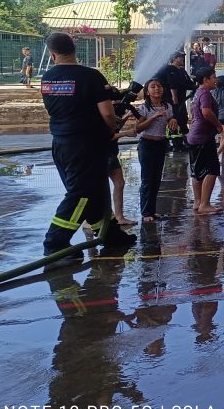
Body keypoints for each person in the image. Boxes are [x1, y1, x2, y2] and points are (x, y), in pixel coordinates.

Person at [39, 32, 134, 258]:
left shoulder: (47, 78)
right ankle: (55, 241)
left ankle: (109, 233)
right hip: (87, 143)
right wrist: (112, 128)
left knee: (97, 188)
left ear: (53, 55)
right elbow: (108, 114)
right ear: (74, 49)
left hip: (61, 143)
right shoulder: (90, 76)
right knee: (81, 192)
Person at [133, 78, 176, 223]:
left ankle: (152, 210)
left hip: (161, 143)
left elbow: (171, 119)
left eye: (159, 86)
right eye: (153, 86)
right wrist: (153, 117)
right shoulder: (144, 108)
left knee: (156, 179)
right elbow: (138, 128)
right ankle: (146, 213)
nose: (157, 89)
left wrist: (172, 121)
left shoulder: (167, 106)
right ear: (147, 91)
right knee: (147, 179)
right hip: (147, 144)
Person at [187, 68, 223, 215]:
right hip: (203, 136)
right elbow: (206, 112)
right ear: (206, 79)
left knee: (197, 170)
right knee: (212, 169)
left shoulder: (198, 92)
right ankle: (205, 204)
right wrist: (218, 125)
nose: (216, 80)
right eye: (214, 77)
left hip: (194, 136)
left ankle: (198, 202)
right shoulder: (206, 93)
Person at [158, 53, 194, 151]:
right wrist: (174, 99)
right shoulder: (170, 69)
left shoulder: (182, 70)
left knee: (183, 119)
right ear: (174, 59)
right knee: (175, 120)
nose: (182, 59)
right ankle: (176, 144)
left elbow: (188, 83)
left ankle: (184, 141)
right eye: (180, 57)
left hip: (181, 100)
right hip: (172, 101)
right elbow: (172, 85)